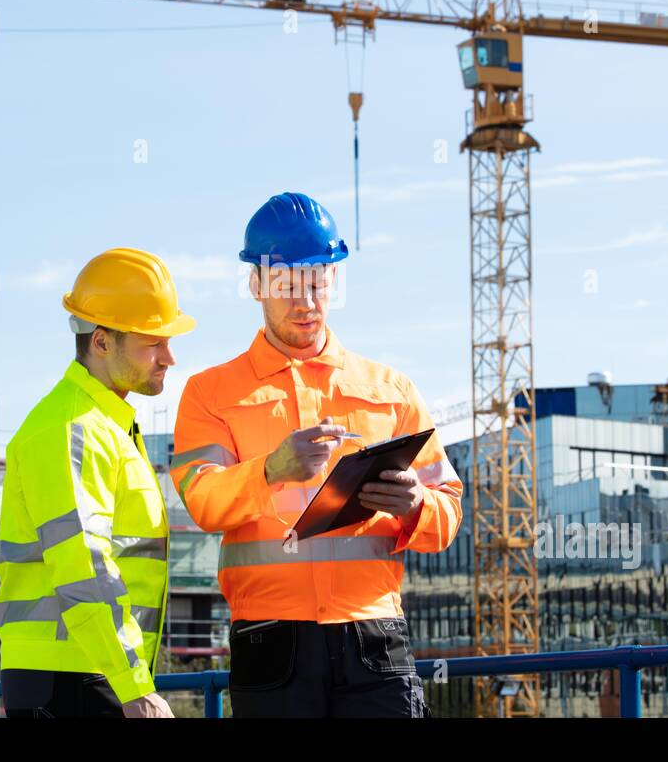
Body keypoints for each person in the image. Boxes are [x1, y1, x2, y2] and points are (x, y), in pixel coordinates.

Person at [170, 193, 463, 717]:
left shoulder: (391, 389)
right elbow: (203, 502)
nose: (305, 301)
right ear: (257, 286)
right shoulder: (209, 393)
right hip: (270, 637)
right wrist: (269, 472)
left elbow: (448, 515)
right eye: (286, 285)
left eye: (317, 282)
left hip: (373, 633)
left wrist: (416, 502)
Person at [0, 247, 194, 718]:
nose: (169, 357)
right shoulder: (73, 428)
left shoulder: (105, 424)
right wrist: (133, 687)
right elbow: (83, 566)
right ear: (101, 343)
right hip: (72, 679)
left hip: (88, 671)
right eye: (153, 342)